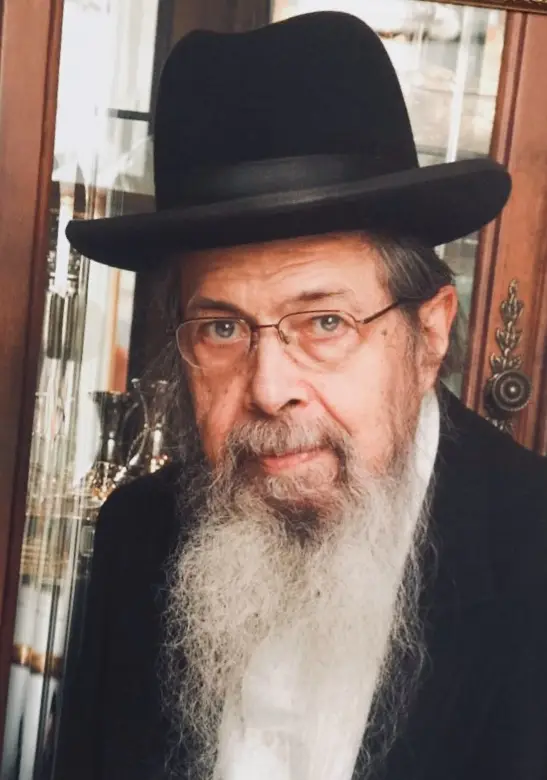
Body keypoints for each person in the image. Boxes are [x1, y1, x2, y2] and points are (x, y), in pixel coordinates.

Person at [55, 11, 547, 780]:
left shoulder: (531, 549)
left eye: (324, 322)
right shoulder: (137, 532)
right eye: (222, 329)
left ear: (428, 335)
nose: (269, 389)